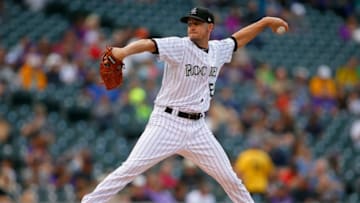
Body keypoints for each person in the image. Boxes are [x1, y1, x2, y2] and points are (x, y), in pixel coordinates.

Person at [81, 7, 288, 203]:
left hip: (198, 128)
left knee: (230, 179)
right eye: (189, 23)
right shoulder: (180, 46)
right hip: (167, 122)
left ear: (210, 27)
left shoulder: (217, 50)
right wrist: (122, 52)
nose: (191, 26)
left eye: (197, 23)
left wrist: (264, 22)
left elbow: (238, 39)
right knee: (130, 169)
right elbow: (148, 44)